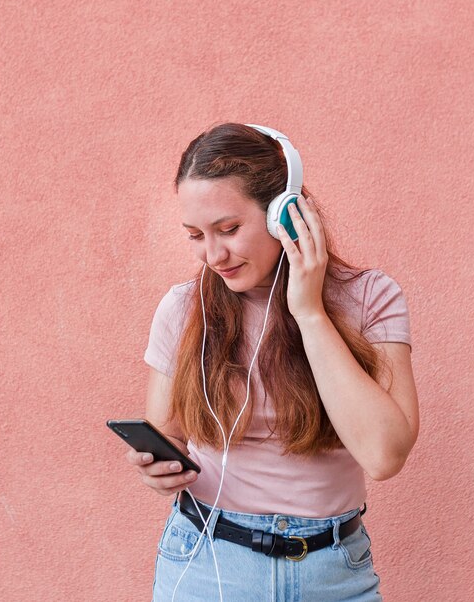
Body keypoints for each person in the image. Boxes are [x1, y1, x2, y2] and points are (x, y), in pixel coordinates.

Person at [125, 122, 419, 601]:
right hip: (207, 563)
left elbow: (384, 456)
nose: (213, 255)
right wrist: (156, 467)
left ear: (286, 214)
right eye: (195, 235)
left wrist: (309, 313)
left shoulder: (370, 299)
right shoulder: (181, 309)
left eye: (229, 229)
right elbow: (168, 434)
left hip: (334, 573)